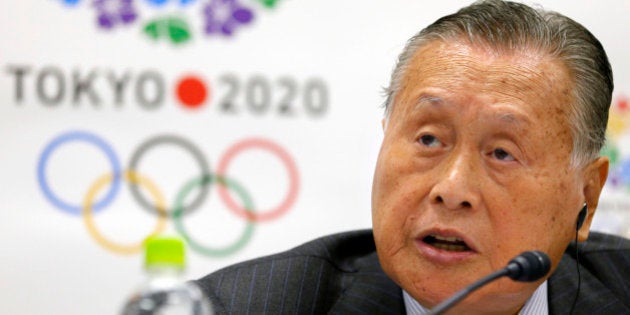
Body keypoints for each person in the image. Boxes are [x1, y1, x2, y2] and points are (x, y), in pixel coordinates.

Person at [195, 0, 630, 314]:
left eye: (501, 152)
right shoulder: (240, 307)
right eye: (428, 140)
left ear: (587, 199)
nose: (452, 190)